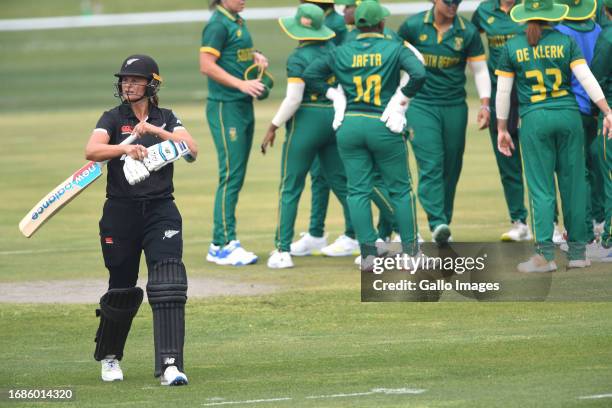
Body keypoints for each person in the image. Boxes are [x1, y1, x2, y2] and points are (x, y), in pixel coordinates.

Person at [85, 55, 198, 385]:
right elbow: (91, 151)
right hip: (120, 213)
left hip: (161, 210)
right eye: (124, 80)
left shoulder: (166, 117)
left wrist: (152, 131)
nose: (127, 85)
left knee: (168, 283)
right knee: (121, 288)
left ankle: (170, 365)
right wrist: (123, 149)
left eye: (135, 79)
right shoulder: (112, 117)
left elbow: (191, 148)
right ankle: (110, 357)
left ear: (151, 83)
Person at [304, 1, 426, 266]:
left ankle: (369, 254)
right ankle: (410, 253)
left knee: (357, 191)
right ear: (381, 23)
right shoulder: (394, 48)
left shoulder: (342, 50)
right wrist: (400, 100)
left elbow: (311, 73)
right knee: (400, 190)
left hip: (350, 125)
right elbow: (418, 72)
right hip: (383, 123)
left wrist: (335, 95)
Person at [496, 0, 612, 272]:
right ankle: (578, 253)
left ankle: (544, 256)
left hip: (535, 120)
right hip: (569, 116)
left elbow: (503, 93)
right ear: (552, 15)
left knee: (541, 189)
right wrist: (607, 110)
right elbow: (586, 79)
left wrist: (502, 129)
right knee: (573, 185)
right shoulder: (564, 41)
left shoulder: (512, 46)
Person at [260, 3, 357, 268]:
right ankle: (360, 235)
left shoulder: (298, 57)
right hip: (334, 119)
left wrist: (273, 125)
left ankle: (282, 250)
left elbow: (293, 99)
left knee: (290, 185)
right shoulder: (336, 51)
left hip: (306, 121)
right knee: (342, 183)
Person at [398, 0, 492, 245]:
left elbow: (480, 70)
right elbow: (396, 60)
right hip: (421, 104)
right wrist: (399, 99)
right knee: (431, 162)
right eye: (448, 1)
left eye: (457, 1)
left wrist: (485, 104)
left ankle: (442, 224)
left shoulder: (467, 32)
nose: (453, 5)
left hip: (454, 106)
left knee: (451, 165)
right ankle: (436, 220)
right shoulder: (413, 26)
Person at [200, 0, 269, 266]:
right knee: (230, 174)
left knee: (236, 175)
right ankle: (222, 244)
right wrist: (240, 83)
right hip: (225, 107)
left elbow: (234, 53)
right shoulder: (217, 24)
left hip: (242, 106)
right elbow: (206, 65)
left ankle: (224, 241)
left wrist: (255, 55)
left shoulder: (236, 20)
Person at [290, 0, 361, 258]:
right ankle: (316, 232)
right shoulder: (328, 19)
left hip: (334, 106)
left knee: (340, 177)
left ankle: (355, 234)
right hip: (329, 106)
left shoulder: (334, 24)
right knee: (319, 176)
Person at [472, 0, 531, 242]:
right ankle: (519, 222)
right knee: (507, 160)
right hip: (499, 94)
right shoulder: (484, 11)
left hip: (529, 92)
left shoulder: (530, 7)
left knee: (542, 162)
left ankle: (552, 222)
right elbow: (470, 44)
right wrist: (485, 103)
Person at [555, 0, 606, 248]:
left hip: (572, 108)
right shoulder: (598, 30)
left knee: (577, 174)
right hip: (597, 109)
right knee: (599, 168)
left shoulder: (560, 33)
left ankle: (584, 232)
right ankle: (602, 222)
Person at [589, 0, 612, 261]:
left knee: (610, 176)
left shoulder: (607, 38)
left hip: (610, 113)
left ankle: (608, 239)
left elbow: (595, 77)